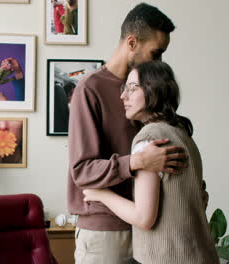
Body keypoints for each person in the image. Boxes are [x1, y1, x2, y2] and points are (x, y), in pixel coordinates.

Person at [67, 3, 186, 264]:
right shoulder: (90, 89)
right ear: (132, 43)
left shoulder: (149, 91)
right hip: (106, 233)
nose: (160, 62)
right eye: (156, 53)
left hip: (149, 226)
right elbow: (82, 171)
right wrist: (137, 162)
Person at [83, 61, 219, 264]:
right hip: (201, 254)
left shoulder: (149, 137)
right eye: (124, 88)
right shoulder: (182, 132)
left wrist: (101, 194)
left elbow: (143, 218)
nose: (123, 96)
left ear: (153, 90)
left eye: (132, 88)